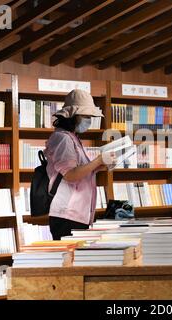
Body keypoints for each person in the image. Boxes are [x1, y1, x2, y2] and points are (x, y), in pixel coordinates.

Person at [44, 89, 115, 240]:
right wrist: (97, 161)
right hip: (67, 214)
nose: (88, 120)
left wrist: (99, 166)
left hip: (76, 214)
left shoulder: (72, 138)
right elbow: (70, 175)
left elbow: (79, 172)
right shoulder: (63, 139)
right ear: (72, 116)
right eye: (85, 116)